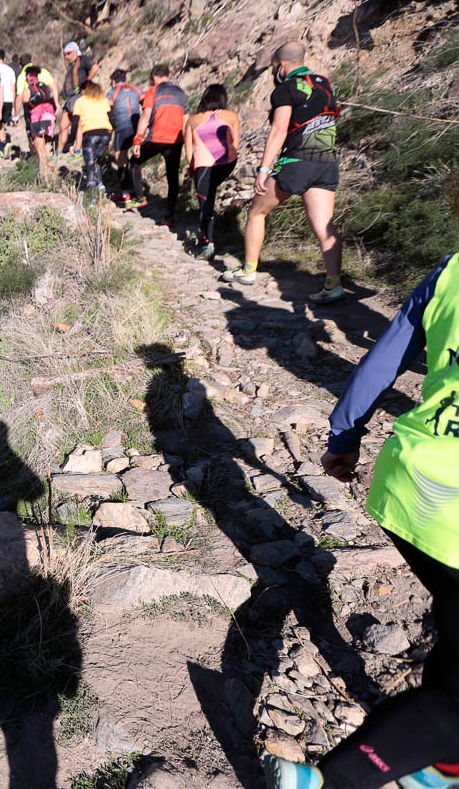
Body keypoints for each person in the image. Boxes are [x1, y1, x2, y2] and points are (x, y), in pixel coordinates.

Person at [265, 250, 459, 789]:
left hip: (412, 483)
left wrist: (344, 436)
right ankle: (331, 782)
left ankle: (441, 769)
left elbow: (384, 357)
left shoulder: (450, 271)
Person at [221, 41, 344, 303]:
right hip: (326, 162)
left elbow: (278, 130)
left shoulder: (286, 88)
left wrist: (264, 170)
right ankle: (333, 284)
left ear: (281, 65)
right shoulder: (324, 82)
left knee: (257, 211)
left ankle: (248, 270)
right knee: (324, 226)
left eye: (274, 67)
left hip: (296, 161)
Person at [184, 83, 240, 260]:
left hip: (204, 164)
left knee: (205, 203)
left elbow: (188, 152)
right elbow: (236, 143)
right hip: (227, 163)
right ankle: (212, 233)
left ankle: (206, 243)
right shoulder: (231, 116)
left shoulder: (193, 120)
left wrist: (193, 167)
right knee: (212, 190)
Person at [128, 63, 188, 225]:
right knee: (172, 175)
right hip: (176, 139)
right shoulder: (181, 93)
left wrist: (137, 140)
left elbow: (146, 117)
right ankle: (170, 214)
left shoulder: (153, 91)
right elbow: (186, 120)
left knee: (134, 161)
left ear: (154, 76)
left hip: (157, 137)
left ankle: (139, 198)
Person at [58, 42, 99, 154]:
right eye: (65, 54)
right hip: (70, 99)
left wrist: (87, 81)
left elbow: (95, 68)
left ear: (75, 51)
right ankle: (60, 151)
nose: (66, 57)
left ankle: (77, 149)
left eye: (69, 53)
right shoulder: (71, 64)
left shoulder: (82, 60)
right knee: (63, 125)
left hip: (79, 97)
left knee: (79, 124)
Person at [72, 80, 113, 192]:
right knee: (96, 160)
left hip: (90, 134)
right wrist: (111, 136)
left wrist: (71, 142)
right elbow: (111, 118)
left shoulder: (80, 101)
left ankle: (92, 192)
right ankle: (100, 184)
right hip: (105, 134)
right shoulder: (103, 100)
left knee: (90, 162)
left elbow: (75, 123)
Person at [107, 69, 142, 198]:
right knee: (136, 156)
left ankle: (125, 192)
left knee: (120, 158)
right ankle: (138, 187)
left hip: (122, 127)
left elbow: (107, 110)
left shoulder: (112, 92)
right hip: (137, 126)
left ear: (113, 81)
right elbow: (145, 103)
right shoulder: (136, 89)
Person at [23, 65, 57, 178]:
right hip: (50, 118)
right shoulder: (46, 87)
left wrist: (28, 129)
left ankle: (45, 178)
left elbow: (26, 112)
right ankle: (47, 170)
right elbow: (53, 104)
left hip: (37, 119)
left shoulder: (28, 91)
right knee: (43, 147)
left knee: (40, 150)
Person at [0, 50, 18, 158]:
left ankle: (4, 143)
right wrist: (13, 105)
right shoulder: (10, 70)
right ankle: (2, 149)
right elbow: (13, 88)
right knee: (1, 124)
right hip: (9, 100)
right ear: (4, 58)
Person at [14, 52, 54, 121]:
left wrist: (16, 113)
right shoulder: (43, 71)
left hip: (32, 107)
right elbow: (53, 87)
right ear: (31, 60)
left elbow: (19, 97)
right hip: (47, 105)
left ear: (20, 65)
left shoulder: (21, 76)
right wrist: (56, 103)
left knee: (34, 128)